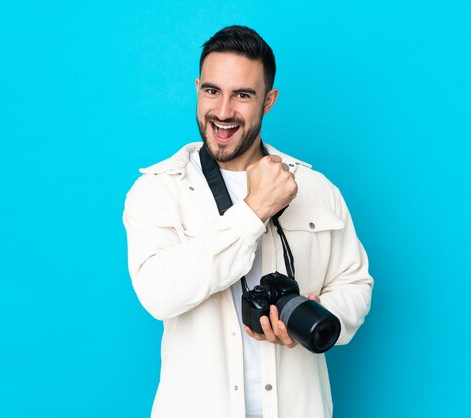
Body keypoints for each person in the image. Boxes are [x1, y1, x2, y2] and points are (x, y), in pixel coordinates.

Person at [123, 25, 373, 418]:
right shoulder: (157, 191)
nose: (223, 111)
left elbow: (355, 283)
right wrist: (254, 210)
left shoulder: (316, 187)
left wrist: (312, 315)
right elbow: (158, 294)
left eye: (242, 95)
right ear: (197, 88)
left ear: (268, 100)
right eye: (212, 91)